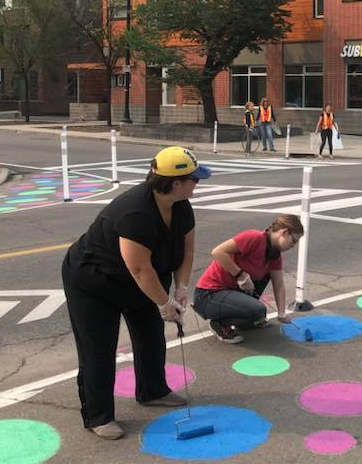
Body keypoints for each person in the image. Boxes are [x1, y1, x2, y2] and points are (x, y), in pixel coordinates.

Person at [61, 147, 212, 440]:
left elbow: (187, 250)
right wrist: (164, 303)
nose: (198, 183)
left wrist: (181, 287)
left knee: (151, 334)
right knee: (99, 349)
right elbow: (140, 269)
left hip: (141, 281)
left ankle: (153, 391)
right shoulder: (135, 212)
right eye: (194, 178)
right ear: (176, 182)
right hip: (94, 282)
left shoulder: (181, 205)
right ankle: (98, 416)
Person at [192, 215, 302, 343]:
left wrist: (281, 312)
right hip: (208, 294)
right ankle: (219, 323)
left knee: (258, 312)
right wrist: (240, 275)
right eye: (294, 241)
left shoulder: (274, 255)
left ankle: (245, 321)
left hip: (230, 292)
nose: (293, 246)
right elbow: (217, 252)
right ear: (284, 232)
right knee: (259, 311)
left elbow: (279, 285)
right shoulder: (254, 237)